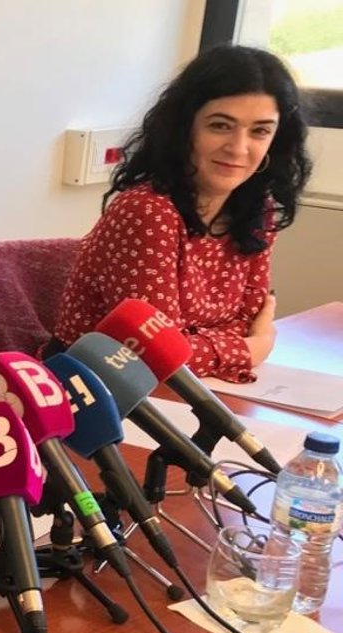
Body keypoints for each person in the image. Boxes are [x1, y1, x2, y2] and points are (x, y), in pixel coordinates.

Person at [53, 44, 311, 382]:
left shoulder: (257, 209)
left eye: (260, 131)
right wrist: (250, 350)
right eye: (220, 125)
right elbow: (152, 357)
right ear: (185, 127)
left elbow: (249, 321)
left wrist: (214, 344)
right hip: (94, 389)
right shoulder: (147, 211)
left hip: (197, 387)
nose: (238, 148)